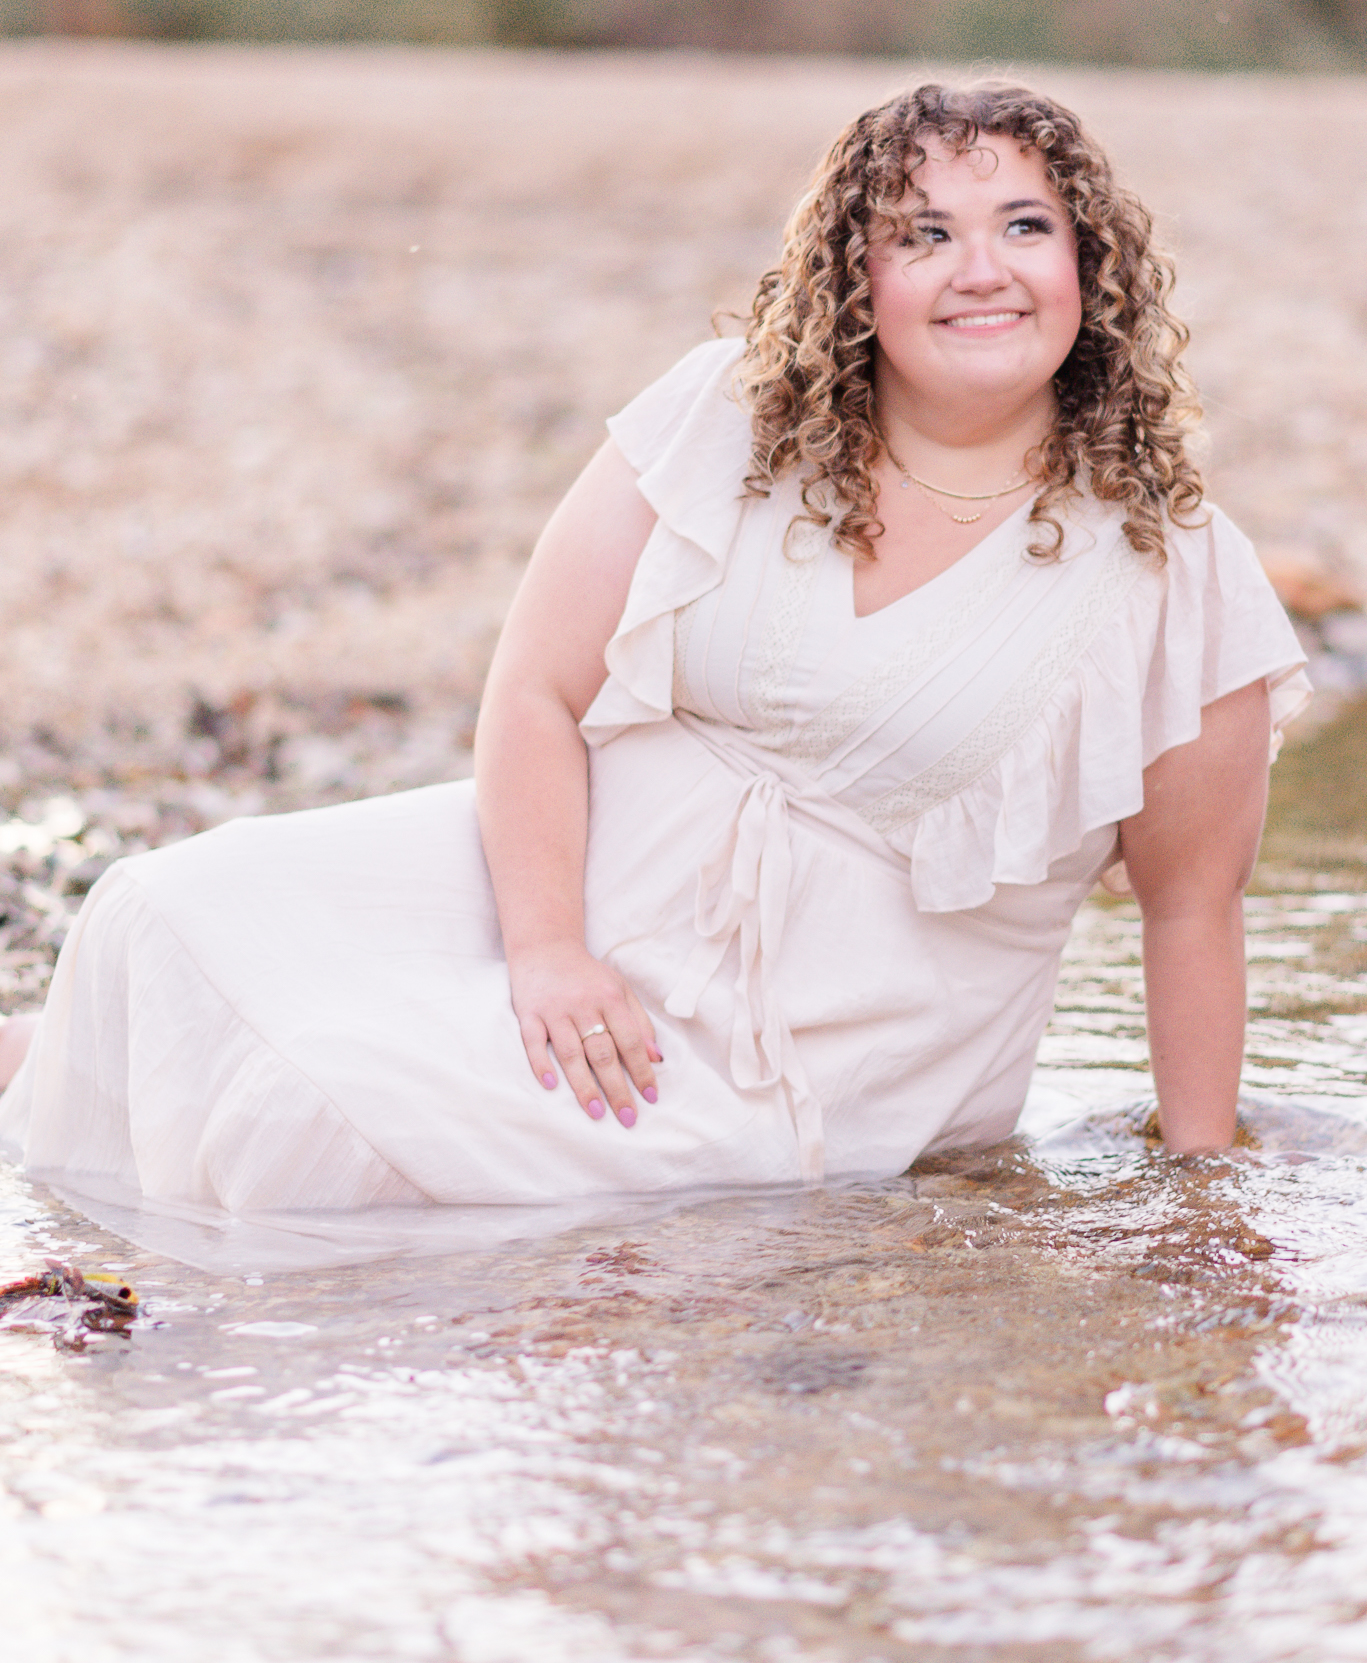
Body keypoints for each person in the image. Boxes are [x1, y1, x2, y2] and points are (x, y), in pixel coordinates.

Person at [0, 83, 1308, 1218]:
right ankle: (57, 1095)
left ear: (1089, 266)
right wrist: (549, 947)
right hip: (575, 888)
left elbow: (1190, 909)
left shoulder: (1170, 567)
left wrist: (1204, 1194)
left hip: (815, 1036)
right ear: (860, 281)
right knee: (157, 919)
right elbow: (537, 689)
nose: (983, 269)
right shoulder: (729, 416)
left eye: (1026, 226)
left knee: (315, 1119)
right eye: (926, 234)